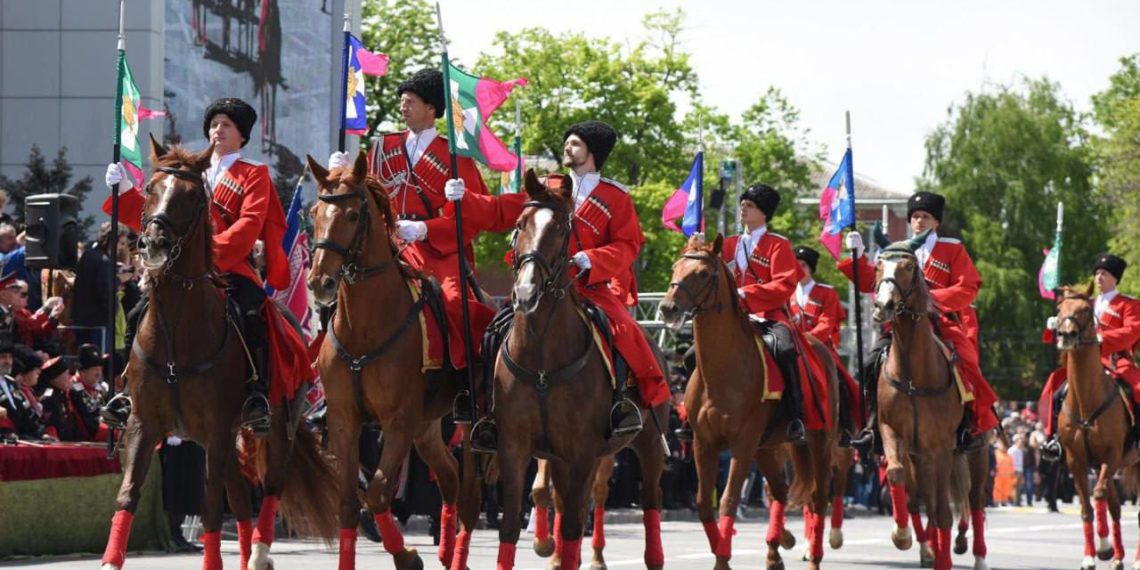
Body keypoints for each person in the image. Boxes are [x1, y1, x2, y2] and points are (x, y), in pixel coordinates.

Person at [105, 97, 305, 436]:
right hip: (178, 269)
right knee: (139, 312)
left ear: (242, 135)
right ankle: (128, 391)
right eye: (213, 124)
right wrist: (124, 191)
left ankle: (255, 394)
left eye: (226, 124)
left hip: (229, 268)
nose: (217, 130)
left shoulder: (254, 174)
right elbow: (159, 217)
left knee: (252, 315)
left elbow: (250, 223)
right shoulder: (187, 170)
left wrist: (208, 255)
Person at [842, 191, 999, 452]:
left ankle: (970, 424)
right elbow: (873, 281)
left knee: (967, 361)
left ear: (936, 221)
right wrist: (857, 256)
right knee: (870, 363)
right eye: (915, 216)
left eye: (925, 217)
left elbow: (968, 287)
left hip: (941, 323)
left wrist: (931, 301)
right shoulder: (896, 250)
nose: (919, 221)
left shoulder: (952, 248)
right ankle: (872, 425)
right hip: (900, 325)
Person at [720, 184, 833, 444]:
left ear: (764, 213)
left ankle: (795, 416)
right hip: (731, 318)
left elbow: (784, 284)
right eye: (743, 204)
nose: (743, 209)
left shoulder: (778, 244)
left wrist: (745, 294)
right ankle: (693, 417)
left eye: (750, 206)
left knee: (784, 349)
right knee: (695, 353)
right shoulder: (728, 244)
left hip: (768, 315)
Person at [1038, 253, 1140, 460]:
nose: (1099, 277)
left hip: (1115, 360)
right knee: (1055, 387)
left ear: (1115, 278)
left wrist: (1102, 339)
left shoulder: (1128, 304)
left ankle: (1137, 439)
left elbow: (1132, 331)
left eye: (1104, 273)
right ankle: (1054, 438)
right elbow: (1068, 326)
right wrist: (1055, 324)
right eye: (1097, 273)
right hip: (1082, 362)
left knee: (1138, 388)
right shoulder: (1083, 304)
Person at [790, 245, 863, 446]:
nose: (799, 268)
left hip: (820, 350)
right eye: (795, 264)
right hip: (791, 349)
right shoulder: (785, 293)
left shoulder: (826, 293)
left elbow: (827, 322)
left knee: (842, 382)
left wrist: (808, 340)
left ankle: (846, 428)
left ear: (810, 269)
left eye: (803, 265)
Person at [71, 222, 130, 353]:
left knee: (85, 362)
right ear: (112, 241)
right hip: (98, 324)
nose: (122, 248)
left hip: (81, 320)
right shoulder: (104, 261)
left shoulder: (88, 255)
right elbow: (105, 292)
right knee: (99, 363)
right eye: (121, 243)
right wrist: (119, 280)